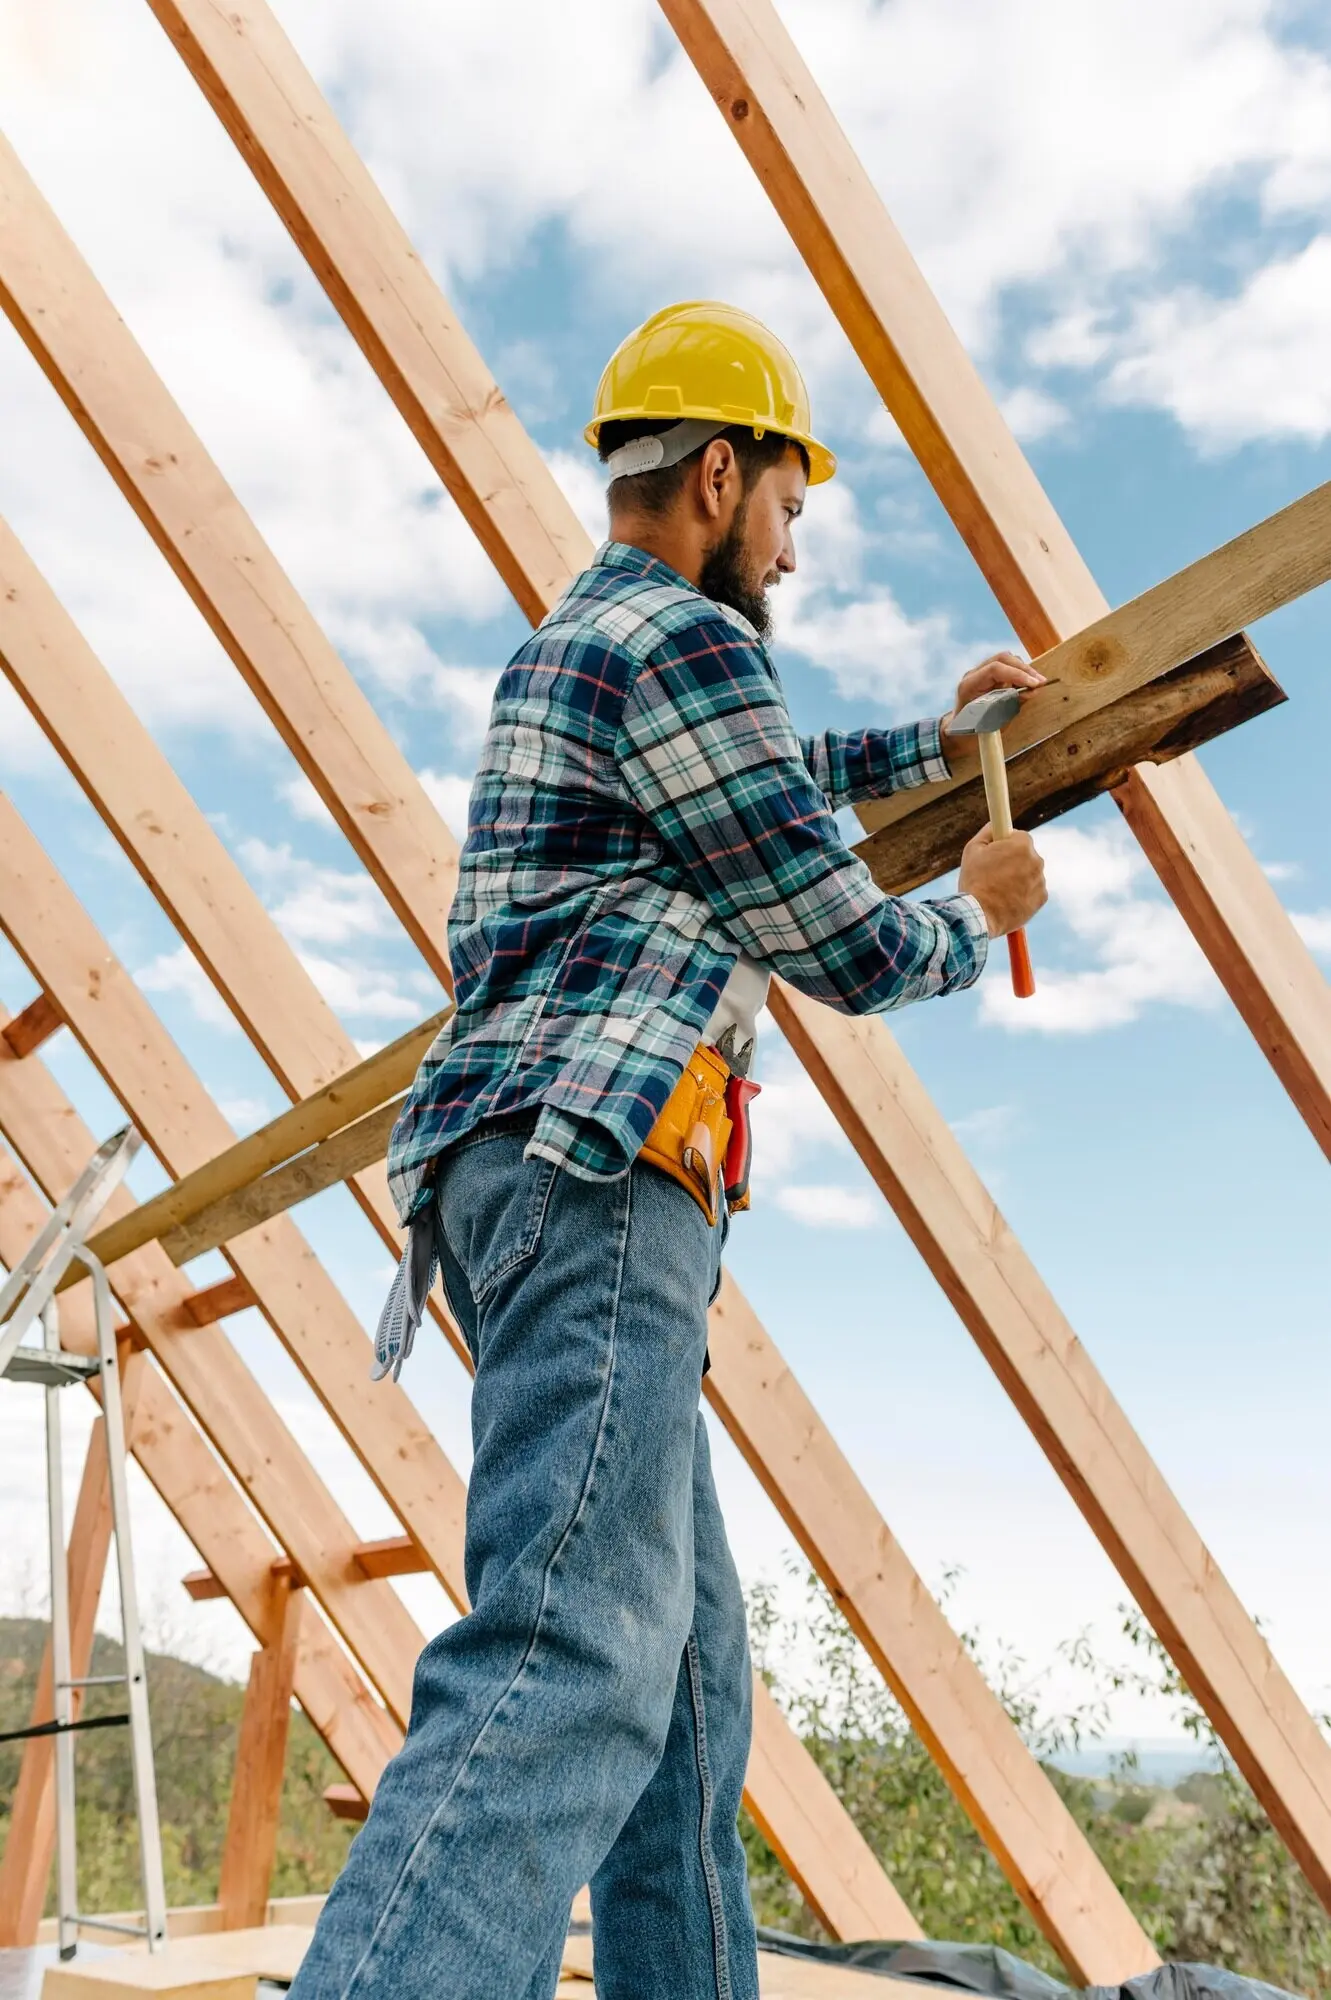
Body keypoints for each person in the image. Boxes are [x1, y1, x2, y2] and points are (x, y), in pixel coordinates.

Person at [290, 301, 1047, 2000]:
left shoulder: (592, 645)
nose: (787, 543)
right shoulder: (690, 650)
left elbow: (766, 781)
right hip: (603, 1175)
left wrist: (935, 740)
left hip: (514, 1176)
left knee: (686, 1680)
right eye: (786, 503)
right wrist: (965, 913)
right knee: (572, 1656)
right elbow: (837, 937)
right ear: (719, 470)